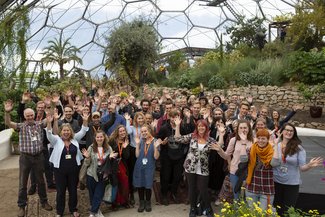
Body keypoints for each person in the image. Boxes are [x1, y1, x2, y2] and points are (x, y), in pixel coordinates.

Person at [4, 100, 53, 217]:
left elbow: (50, 117)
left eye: (31, 115)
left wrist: (51, 106)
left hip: (38, 157)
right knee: (23, 182)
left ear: (34, 115)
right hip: (25, 158)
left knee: (41, 181)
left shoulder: (40, 124)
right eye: (28, 116)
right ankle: (21, 206)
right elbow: (8, 123)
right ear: (25, 117)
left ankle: (44, 201)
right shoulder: (20, 126)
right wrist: (7, 112)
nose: (30, 117)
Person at [175, 119, 223, 217]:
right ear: (197, 127)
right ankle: (193, 209)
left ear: (206, 128)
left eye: (203, 126)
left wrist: (221, 134)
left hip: (203, 168)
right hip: (190, 167)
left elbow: (219, 145)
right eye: (199, 126)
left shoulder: (210, 139)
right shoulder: (192, 136)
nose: (201, 128)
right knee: (192, 189)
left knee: (203, 189)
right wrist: (177, 126)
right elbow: (178, 138)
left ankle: (208, 208)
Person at [273, 123, 323, 216]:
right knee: (275, 208)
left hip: (291, 184)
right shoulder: (276, 145)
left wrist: (310, 165)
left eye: (291, 131)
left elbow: (302, 168)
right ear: (281, 132)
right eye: (287, 130)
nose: (289, 132)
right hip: (276, 181)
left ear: (294, 133)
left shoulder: (299, 148)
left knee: (287, 210)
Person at [46, 110, 89, 217]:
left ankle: (73, 209)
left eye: (68, 131)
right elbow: (49, 134)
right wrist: (49, 122)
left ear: (71, 132)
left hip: (74, 169)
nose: (66, 132)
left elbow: (83, 131)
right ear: (61, 132)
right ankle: (59, 211)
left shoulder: (75, 139)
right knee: (61, 191)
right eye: (64, 131)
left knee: (73, 190)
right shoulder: (56, 140)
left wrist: (85, 120)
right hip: (59, 170)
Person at [82, 130, 118, 217]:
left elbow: (111, 163)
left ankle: (92, 213)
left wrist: (110, 158)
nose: (99, 138)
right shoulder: (91, 148)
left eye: (101, 137)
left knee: (99, 194)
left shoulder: (108, 148)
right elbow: (86, 164)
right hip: (91, 174)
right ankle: (97, 211)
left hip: (103, 175)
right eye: (97, 137)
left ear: (104, 137)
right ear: (95, 138)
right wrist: (87, 158)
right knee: (92, 195)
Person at [215, 119, 254, 200]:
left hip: (249, 172)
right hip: (235, 171)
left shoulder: (253, 141)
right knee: (236, 194)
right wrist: (219, 150)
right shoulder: (234, 140)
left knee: (247, 196)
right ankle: (237, 211)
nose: (243, 130)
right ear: (238, 129)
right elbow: (226, 156)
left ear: (249, 129)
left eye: (245, 128)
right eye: (241, 128)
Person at [244, 129, 280, 210]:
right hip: (252, 186)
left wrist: (276, 145)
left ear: (268, 139)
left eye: (263, 138)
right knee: (252, 213)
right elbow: (243, 160)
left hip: (267, 188)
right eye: (259, 138)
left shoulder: (272, 150)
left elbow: (274, 163)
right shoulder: (251, 149)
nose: (260, 140)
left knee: (264, 214)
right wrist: (243, 143)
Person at [133, 125, 162, 212]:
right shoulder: (140, 141)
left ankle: (148, 202)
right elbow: (137, 155)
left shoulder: (155, 141)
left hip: (149, 167)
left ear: (150, 131)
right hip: (139, 166)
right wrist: (137, 144)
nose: (144, 133)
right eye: (142, 132)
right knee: (140, 184)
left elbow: (156, 157)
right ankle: (142, 202)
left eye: (145, 131)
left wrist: (156, 148)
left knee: (148, 185)